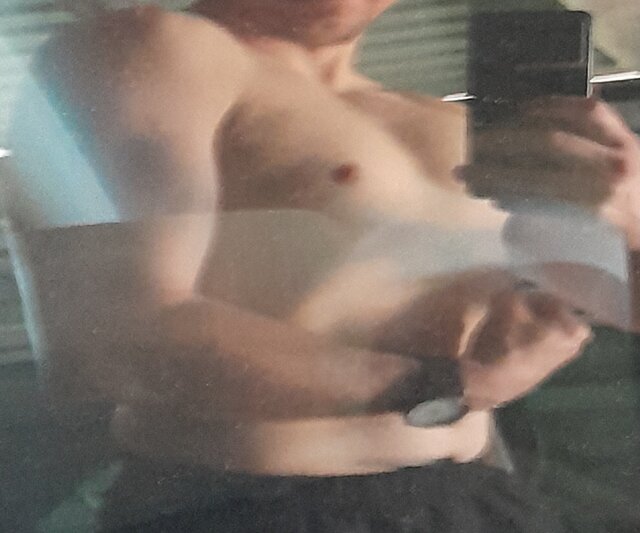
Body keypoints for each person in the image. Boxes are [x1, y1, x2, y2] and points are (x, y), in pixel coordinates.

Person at [4, 1, 640, 531]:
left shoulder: (447, 121)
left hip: (474, 500)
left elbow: (616, 302)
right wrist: (443, 387)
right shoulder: (149, 47)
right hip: (248, 506)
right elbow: (112, 342)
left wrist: (631, 215)